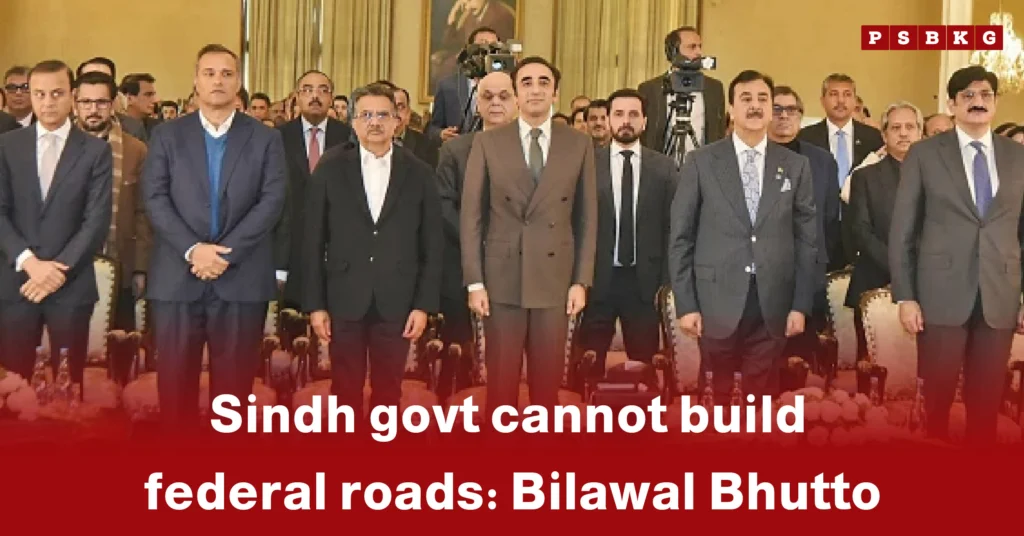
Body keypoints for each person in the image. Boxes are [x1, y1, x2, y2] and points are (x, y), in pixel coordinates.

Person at [142, 44, 286, 430]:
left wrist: (224, 254)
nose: (218, 81)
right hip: (176, 279)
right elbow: (154, 198)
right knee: (174, 392)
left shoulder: (265, 139)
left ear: (238, 81)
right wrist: (193, 251)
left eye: (226, 73)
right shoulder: (167, 136)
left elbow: (271, 202)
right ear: (195, 81)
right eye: (209, 73)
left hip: (241, 279)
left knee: (234, 398)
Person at [889, 66, 1024, 444]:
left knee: (986, 407)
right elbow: (903, 230)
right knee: (937, 404)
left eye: (985, 95)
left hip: (1000, 294)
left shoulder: (1018, 156)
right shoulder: (925, 154)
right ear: (952, 104)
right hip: (939, 296)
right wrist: (907, 296)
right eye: (967, 95)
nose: (977, 102)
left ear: (995, 102)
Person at [669, 70, 817, 402]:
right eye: (746, 99)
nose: (755, 106)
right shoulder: (701, 162)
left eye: (763, 99)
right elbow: (681, 237)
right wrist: (687, 304)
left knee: (760, 403)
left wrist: (800, 305)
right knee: (714, 404)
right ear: (731, 109)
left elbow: (807, 243)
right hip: (714, 301)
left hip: (772, 304)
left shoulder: (795, 166)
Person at [461, 56, 597, 417]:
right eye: (526, 82)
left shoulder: (578, 144)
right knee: (501, 390)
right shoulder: (489, 143)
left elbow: (587, 218)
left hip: (555, 280)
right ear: (515, 93)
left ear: (555, 92)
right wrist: (474, 281)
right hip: (501, 279)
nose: (535, 89)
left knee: (547, 392)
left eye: (543, 82)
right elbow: (471, 216)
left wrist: (581, 280)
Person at [302, 83, 442, 418]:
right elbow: (311, 240)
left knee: (389, 393)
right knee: (344, 393)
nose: (374, 122)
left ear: (398, 121)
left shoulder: (420, 172)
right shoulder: (331, 168)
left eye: (383, 114)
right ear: (353, 121)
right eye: (366, 115)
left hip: (397, 301)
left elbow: (432, 245)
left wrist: (423, 306)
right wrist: (316, 305)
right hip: (343, 298)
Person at [0, 60, 113, 392]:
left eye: (57, 93)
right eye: (39, 94)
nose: (48, 102)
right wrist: (30, 263)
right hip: (17, 283)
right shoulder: (7, 146)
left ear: (72, 96)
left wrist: (56, 271)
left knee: (69, 388)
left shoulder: (95, 151)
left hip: (71, 284)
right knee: (13, 389)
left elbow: (96, 221)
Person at [579, 88, 678, 376]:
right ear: (608, 119)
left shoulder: (664, 167)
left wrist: (666, 280)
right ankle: (590, 419)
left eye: (633, 114)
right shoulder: (586, 164)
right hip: (597, 281)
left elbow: (674, 227)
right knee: (588, 367)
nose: (626, 120)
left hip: (644, 285)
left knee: (643, 368)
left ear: (645, 121)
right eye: (619, 114)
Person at [435, 70, 518, 401]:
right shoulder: (455, 151)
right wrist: (479, 243)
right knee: (457, 358)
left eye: (503, 96)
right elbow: (442, 206)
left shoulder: (537, 151)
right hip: (463, 269)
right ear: (476, 104)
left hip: (518, 270)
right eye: (487, 96)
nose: (495, 103)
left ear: (516, 101)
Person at [73, 72, 152, 337]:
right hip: (66, 267)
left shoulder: (136, 150)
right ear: (75, 103)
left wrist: (141, 268)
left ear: (113, 104)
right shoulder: (60, 146)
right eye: (86, 102)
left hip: (121, 264)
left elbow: (144, 213)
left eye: (101, 102)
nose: (93, 110)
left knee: (119, 350)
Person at [768, 86, 840, 366]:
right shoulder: (754, 156)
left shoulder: (821, 160)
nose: (784, 116)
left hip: (807, 274)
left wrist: (819, 259)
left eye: (792, 110)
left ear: (801, 116)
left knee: (800, 359)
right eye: (777, 109)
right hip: (763, 274)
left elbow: (830, 218)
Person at [844, 101, 922, 361]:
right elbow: (861, 230)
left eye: (910, 127)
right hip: (874, 277)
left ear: (920, 133)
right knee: (872, 371)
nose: (903, 133)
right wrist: (899, 270)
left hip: (928, 281)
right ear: (884, 134)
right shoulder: (865, 177)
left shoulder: (938, 177)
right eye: (895, 127)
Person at [274, 70, 353, 311]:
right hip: (290, 242)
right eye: (307, 90)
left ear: (332, 98)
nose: (315, 96)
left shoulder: (349, 137)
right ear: (296, 97)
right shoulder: (277, 137)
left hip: (337, 244)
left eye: (322, 90)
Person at [798, 73, 884, 270]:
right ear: (822, 100)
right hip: (819, 228)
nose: (840, 100)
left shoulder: (873, 137)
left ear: (855, 100)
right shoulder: (806, 137)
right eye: (833, 94)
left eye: (847, 94)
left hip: (860, 227)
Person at [639, 26, 726, 157]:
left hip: (702, 168)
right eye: (692, 47)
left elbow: (718, 133)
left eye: (700, 46)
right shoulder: (650, 89)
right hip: (660, 166)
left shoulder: (714, 88)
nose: (699, 52)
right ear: (673, 52)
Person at [428, 26, 500, 142]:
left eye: (493, 47)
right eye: (482, 45)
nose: (487, 52)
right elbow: (431, 129)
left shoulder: (506, 87)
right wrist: (441, 134)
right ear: (469, 51)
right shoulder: (447, 86)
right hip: (458, 153)